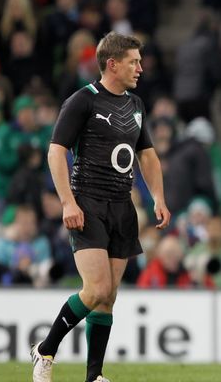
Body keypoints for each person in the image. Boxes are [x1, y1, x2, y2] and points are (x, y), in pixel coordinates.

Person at [31, 32, 171, 382]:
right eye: (133, 62)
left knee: (109, 297)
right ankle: (45, 350)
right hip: (87, 204)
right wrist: (68, 202)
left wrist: (158, 197)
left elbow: (147, 155)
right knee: (96, 289)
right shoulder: (82, 101)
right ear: (112, 64)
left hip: (122, 207)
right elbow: (56, 152)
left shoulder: (136, 105)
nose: (140, 68)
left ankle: (94, 376)